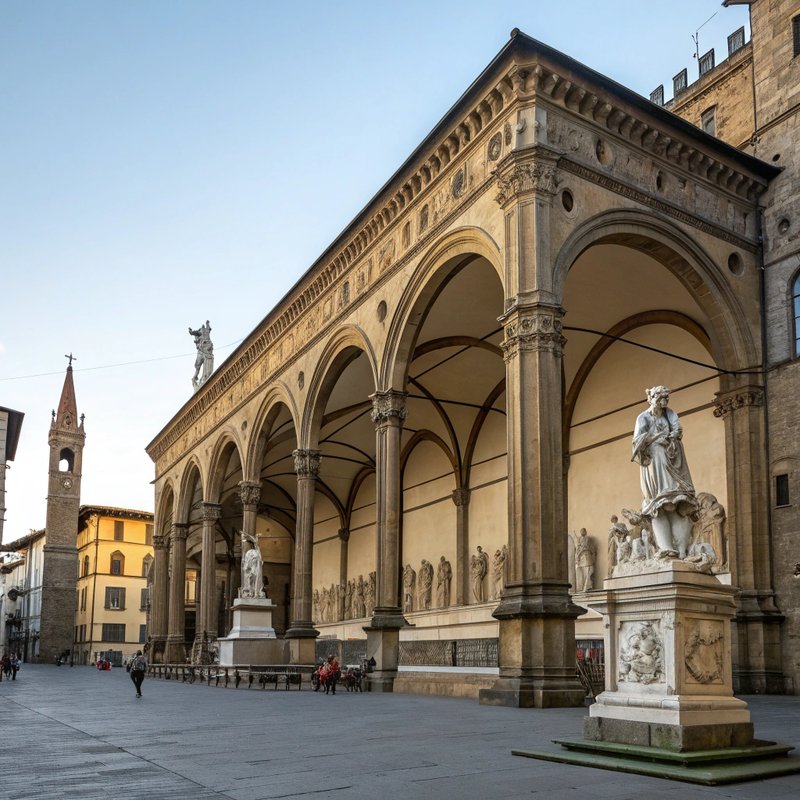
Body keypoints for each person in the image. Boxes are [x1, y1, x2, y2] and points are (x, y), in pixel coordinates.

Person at [631, 386, 697, 558]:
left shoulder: (670, 414)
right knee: (658, 506)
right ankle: (667, 549)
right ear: (651, 399)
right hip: (654, 461)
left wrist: (671, 437)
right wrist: (655, 438)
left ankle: (681, 551)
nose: (664, 402)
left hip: (672, 458)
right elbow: (637, 441)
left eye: (666, 399)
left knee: (675, 506)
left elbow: (678, 429)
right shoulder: (643, 417)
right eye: (661, 399)